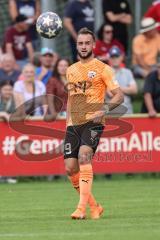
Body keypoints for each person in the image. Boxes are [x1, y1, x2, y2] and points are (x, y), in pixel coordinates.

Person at [64, 27, 123, 219]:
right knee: (70, 168)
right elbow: (71, 98)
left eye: (87, 43)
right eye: (80, 43)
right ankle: (94, 206)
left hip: (94, 121)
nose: (83, 46)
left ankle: (81, 209)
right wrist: (67, 123)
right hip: (74, 123)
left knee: (84, 157)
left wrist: (103, 109)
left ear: (93, 45)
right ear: (77, 45)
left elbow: (119, 96)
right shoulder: (70, 70)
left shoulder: (103, 68)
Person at [109, 46, 137, 114]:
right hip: (113, 111)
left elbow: (134, 90)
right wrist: (127, 89)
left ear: (121, 57)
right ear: (109, 59)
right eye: (113, 57)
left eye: (117, 56)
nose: (115, 59)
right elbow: (110, 94)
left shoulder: (128, 72)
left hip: (128, 110)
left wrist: (118, 88)